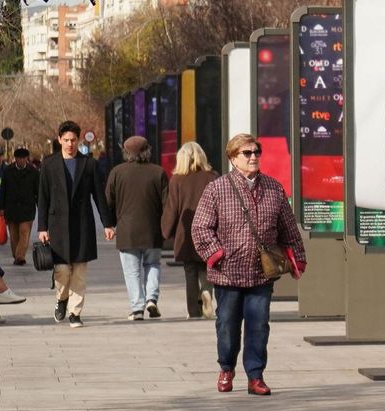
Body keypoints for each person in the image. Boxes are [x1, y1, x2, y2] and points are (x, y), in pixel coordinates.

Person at [191, 133, 306, 395]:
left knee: (258, 324)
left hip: (261, 273)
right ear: (233, 158)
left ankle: (255, 375)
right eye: (247, 153)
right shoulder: (216, 189)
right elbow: (200, 228)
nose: (253, 157)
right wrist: (215, 253)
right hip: (227, 273)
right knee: (227, 325)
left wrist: (297, 256)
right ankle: (226, 368)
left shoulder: (274, 188)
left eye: (256, 152)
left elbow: (288, 227)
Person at [36, 120, 114, 329]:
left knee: (79, 271)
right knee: (62, 270)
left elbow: (99, 196)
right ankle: (62, 299)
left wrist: (107, 224)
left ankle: (75, 313)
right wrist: (42, 227)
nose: (70, 144)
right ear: (59, 139)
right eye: (66, 140)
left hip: (82, 224)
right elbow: (42, 198)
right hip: (57, 225)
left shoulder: (89, 164)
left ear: (78, 141)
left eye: (73, 140)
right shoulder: (49, 165)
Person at [104, 136, 170, 321]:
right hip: (152, 230)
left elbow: (108, 202)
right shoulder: (158, 172)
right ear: (147, 150)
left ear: (125, 152)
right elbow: (167, 204)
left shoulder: (117, 172)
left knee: (132, 271)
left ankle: (137, 307)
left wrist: (108, 224)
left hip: (127, 231)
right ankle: (151, 299)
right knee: (153, 264)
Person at [162, 141, 220, 318]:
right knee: (207, 268)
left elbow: (172, 208)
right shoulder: (213, 176)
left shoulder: (177, 180)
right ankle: (207, 294)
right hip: (209, 232)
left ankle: (194, 311)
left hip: (187, 233)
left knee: (190, 272)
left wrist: (166, 231)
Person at [4, 147, 39, 266]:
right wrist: (1, 207)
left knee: (24, 232)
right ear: (15, 159)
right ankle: (16, 255)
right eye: (19, 158)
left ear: (27, 159)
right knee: (13, 234)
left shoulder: (33, 172)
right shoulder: (8, 171)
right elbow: (3, 190)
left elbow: (38, 191)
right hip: (11, 208)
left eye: (24, 158)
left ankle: (20, 256)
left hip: (27, 208)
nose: (22, 160)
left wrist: (41, 206)